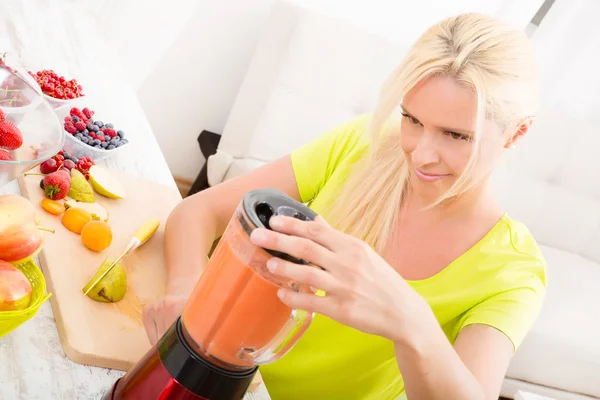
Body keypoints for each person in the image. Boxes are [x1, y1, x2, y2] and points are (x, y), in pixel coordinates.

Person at [142, 12, 547, 400]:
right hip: (208, 369)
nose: (422, 155)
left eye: (456, 135)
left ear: (517, 132)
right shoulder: (364, 145)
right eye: (412, 119)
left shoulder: (511, 271)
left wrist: (412, 324)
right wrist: (185, 299)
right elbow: (198, 212)